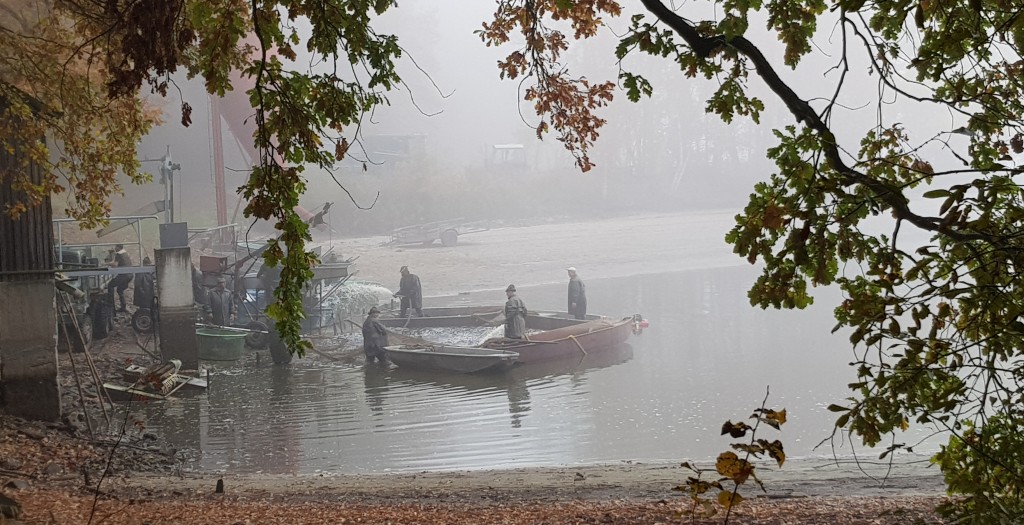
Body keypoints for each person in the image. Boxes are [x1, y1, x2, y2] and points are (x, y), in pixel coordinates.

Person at [106, 244, 134, 312]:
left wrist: (106, 264)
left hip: (124, 275)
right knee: (119, 289)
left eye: (116, 247)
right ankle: (123, 307)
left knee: (110, 285)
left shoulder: (119, 254)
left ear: (119, 247)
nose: (115, 248)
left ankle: (111, 305)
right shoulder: (125, 253)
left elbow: (115, 264)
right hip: (130, 275)